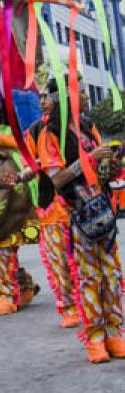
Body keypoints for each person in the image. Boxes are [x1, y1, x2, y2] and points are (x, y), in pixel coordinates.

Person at [37, 79, 123, 363]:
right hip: (78, 215)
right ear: (67, 97)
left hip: (103, 212)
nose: (86, 96)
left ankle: (115, 332)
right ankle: (95, 338)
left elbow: (101, 172)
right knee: (88, 278)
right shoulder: (50, 135)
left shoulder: (89, 127)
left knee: (111, 275)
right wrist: (88, 159)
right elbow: (57, 177)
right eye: (81, 91)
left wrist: (112, 162)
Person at [24, 85, 80, 329]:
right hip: (53, 207)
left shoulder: (83, 126)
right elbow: (31, 162)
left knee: (84, 261)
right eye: (42, 96)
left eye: (48, 96)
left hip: (83, 205)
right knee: (59, 261)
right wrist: (25, 172)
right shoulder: (38, 131)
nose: (43, 100)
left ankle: (89, 304)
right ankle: (68, 307)